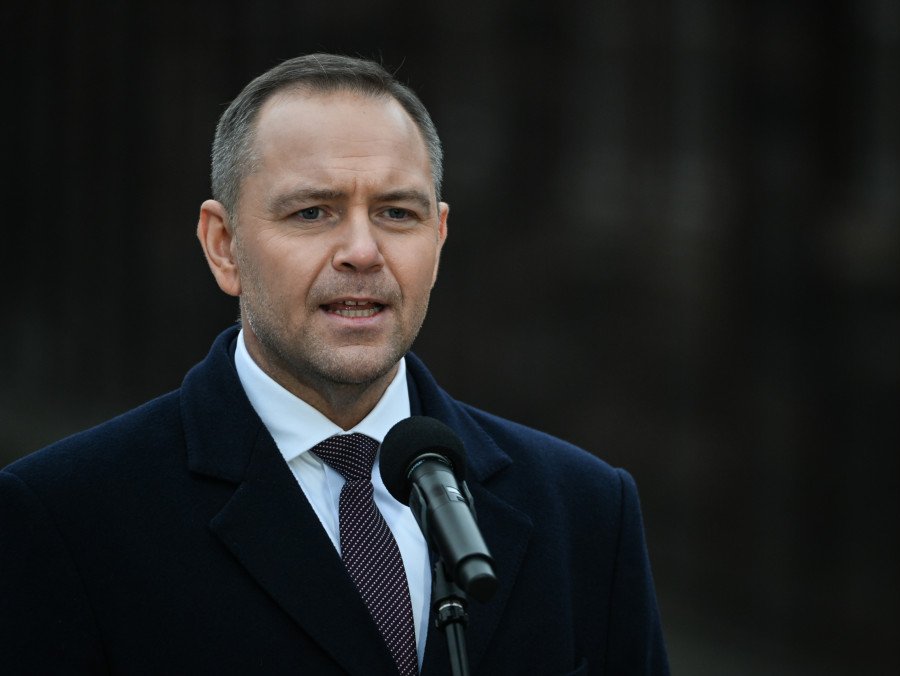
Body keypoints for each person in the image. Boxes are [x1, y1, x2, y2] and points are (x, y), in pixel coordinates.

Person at [0, 53, 669, 675]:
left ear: (437, 240)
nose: (361, 250)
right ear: (224, 246)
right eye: (313, 211)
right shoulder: (64, 518)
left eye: (395, 213)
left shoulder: (586, 512)